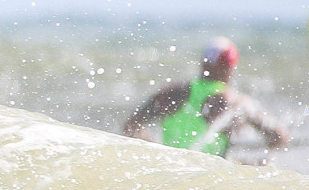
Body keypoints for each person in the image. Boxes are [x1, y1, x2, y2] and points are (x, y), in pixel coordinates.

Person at [122, 37, 290, 157]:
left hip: (172, 170)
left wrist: (161, 153)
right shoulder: (236, 102)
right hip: (208, 180)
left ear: (204, 63)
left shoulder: (172, 93)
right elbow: (279, 137)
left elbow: (131, 126)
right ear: (229, 67)